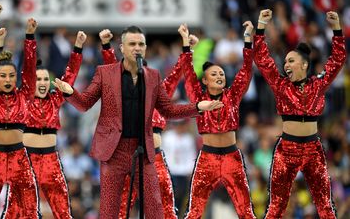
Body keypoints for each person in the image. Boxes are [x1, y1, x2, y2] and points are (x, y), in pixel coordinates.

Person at [52, 25, 223, 218]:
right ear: (122, 48)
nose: (137, 48)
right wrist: (70, 92)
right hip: (114, 151)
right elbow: (84, 103)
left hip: (146, 152)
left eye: (141, 44)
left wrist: (198, 107)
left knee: (156, 210)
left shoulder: (154, 78)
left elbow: (169, 108)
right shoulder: (106, 73)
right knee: (110, 211)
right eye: (132, 44)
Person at [254, 9, 346, 219]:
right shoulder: (280, 85)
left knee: (325, 207)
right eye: (285, 62)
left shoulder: (318, 84)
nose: (286, 65)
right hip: (286, 149)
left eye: (291, 61)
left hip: (313, 149)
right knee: (276, 208)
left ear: (304, 65)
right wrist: (261, 26)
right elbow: (262, 59)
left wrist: (337, 29)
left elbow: (338, 59)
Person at [99, 25, 197, 219]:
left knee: (166, 208)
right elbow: (112, 67)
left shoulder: (158, 90)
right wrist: (106, 45)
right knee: (120, 209)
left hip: (155, 158)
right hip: (126, 156)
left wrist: (186, 48)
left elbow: (177, 73)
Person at [183, 21, 256, 219]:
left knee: (246, 211)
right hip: (208, 158)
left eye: (222, 74)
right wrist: (186, 47)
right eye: (214, 74)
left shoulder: (232, 96)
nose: (219, 76)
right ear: (205, 80)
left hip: (232, 157)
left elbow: (246, 72)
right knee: (195, 211)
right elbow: (189, 76)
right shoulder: (199, 98)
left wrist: (248, 40)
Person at [22, 30, 86, 219]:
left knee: (62, 209)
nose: (42, 82)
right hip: (28, 159)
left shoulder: (55, 100)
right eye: (37, 79)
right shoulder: (23, 100)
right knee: (23, 210)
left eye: (44, 79)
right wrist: (30, 37)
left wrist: (78, 47)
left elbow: (70, 76)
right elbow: (28, 64)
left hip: (51, 159)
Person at [0, 18, 39, 218]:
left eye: (12, 76)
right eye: (3, 76)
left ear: (16, 77)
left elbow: (30, 70)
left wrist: (30, 36)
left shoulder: (24, 96)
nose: (7, 80)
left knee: (30, 209)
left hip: (19, 158)